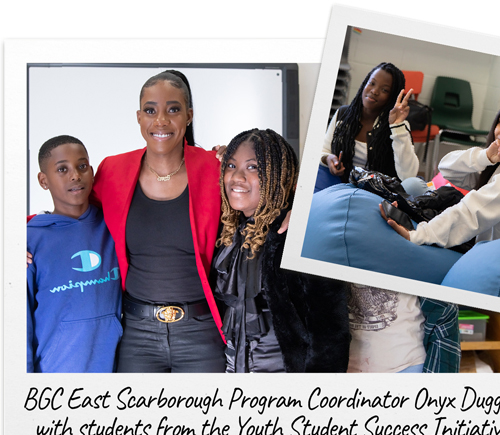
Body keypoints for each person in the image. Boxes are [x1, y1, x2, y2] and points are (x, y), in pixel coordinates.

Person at [90, 70, 226, 373]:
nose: (161, 120)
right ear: (139, 117)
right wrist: (28, 233)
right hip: (137, 333)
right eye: (150, 110)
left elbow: (261, 195)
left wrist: (293, 211)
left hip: (201, 332)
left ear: (189, 116)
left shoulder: (213, 168)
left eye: (173, 109)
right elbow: (77, 213)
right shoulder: (113, 170)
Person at [212, 129, 351, 373]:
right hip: (232, 367)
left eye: (253, 167)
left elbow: (330, 331)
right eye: (231, 166)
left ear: (278, 175)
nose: (237, 176)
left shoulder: (297, 232)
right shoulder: (227, 233)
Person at [381, 95, 500, 248]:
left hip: (499, 259)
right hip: (482, 247)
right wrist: (486, 156)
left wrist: (418, 235)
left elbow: (472, 212)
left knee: (414, 188)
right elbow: (447, 169)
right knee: (413, 185)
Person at [27, 135, 122, 372]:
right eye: (62, 169)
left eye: (82, 166)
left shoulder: (115, 223)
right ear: (43, 180)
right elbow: (18, 321)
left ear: (91, 170)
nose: (75, 175)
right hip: (55, 374)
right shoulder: (28, 241)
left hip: (118, 370)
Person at [321, 62, 425, 195]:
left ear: (391, 97)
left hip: (377, 194)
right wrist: (328, 159)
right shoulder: (343, 114)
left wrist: (396, 127)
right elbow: (324, 150)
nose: (374, 91)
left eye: (384, 90)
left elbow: (408, 176)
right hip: (339, 186)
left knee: (415, 185)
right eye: (372, 83)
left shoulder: (399, 125)